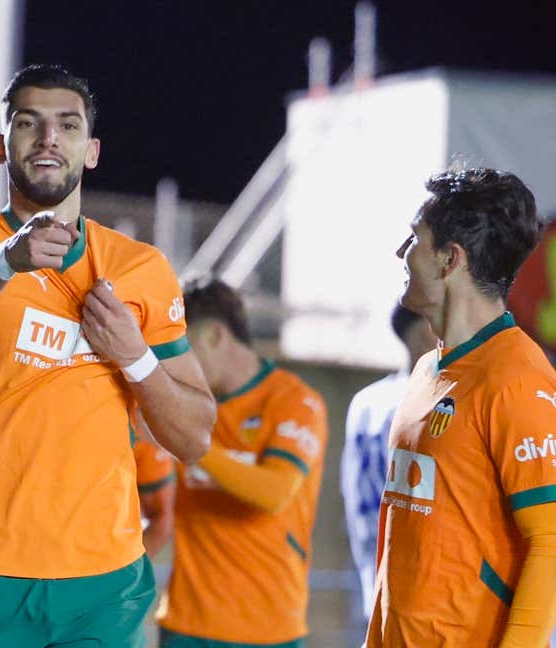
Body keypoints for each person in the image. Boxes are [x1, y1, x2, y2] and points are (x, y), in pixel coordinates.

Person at [0, 63, 216, 648]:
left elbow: (194, 436)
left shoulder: (140, 269)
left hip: (101, 583)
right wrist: (6, 263)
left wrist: (136, 358)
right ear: (2, 145)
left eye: (68, 126)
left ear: (91, 150)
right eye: (30, 123)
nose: (50, 138)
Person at [367, 167, 556, 646]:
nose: (401, 254)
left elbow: (549, 544)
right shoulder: (427, 369)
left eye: (414, 240)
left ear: (450, 259)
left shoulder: (518, 379)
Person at [135, 278, 328, 647]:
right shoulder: (185, 408)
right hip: (185, 625)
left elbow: (274, 491)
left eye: (179, 347)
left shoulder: (293, 401)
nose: (172, 363)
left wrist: (189, 442)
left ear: (214, 336)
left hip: (267, 631)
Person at [341, 304, 436, 623]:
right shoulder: (433, 401)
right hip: (428, 596)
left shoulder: (366, 403)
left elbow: (353, 495)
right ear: (427, 328)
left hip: (378, 579)